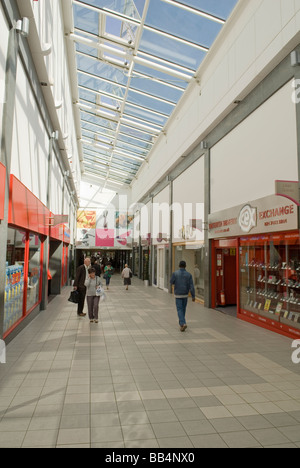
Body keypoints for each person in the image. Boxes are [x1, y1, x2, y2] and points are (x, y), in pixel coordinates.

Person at [170, 260, 195, 332]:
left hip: (178, 294)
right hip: (185, 294)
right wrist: (193, 296)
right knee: (183, 309)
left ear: (179, 265)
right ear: (185, 266)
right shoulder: (189, 275)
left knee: (179, 309)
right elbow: (192, 286)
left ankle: (183, 323)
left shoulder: (175, 273)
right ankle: (182, 323)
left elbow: (171, 282)